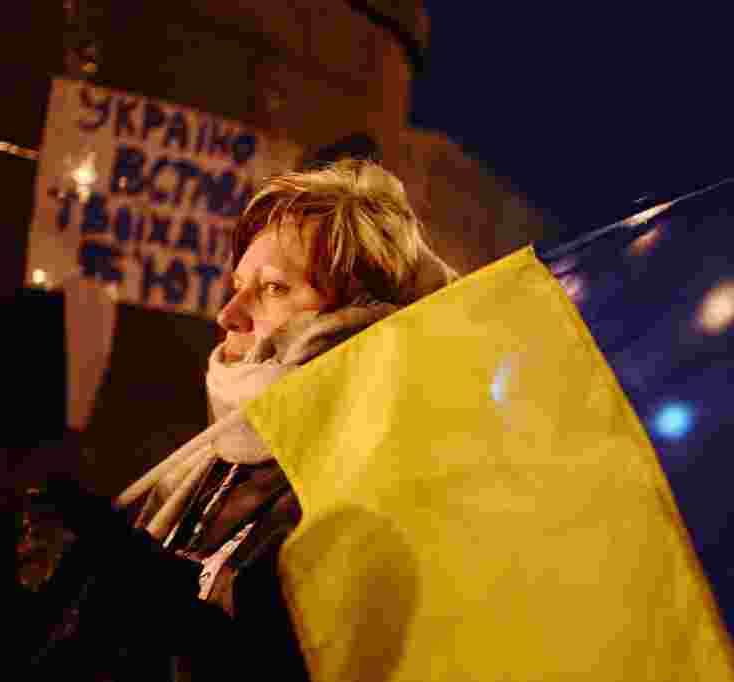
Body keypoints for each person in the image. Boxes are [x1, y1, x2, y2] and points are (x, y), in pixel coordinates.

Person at [25, 157, 456, 681]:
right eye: (237, 284)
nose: (228, 314)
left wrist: (171, 615)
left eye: (273, 287)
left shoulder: (383, 489)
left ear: (358, 318)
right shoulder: (207, 465)